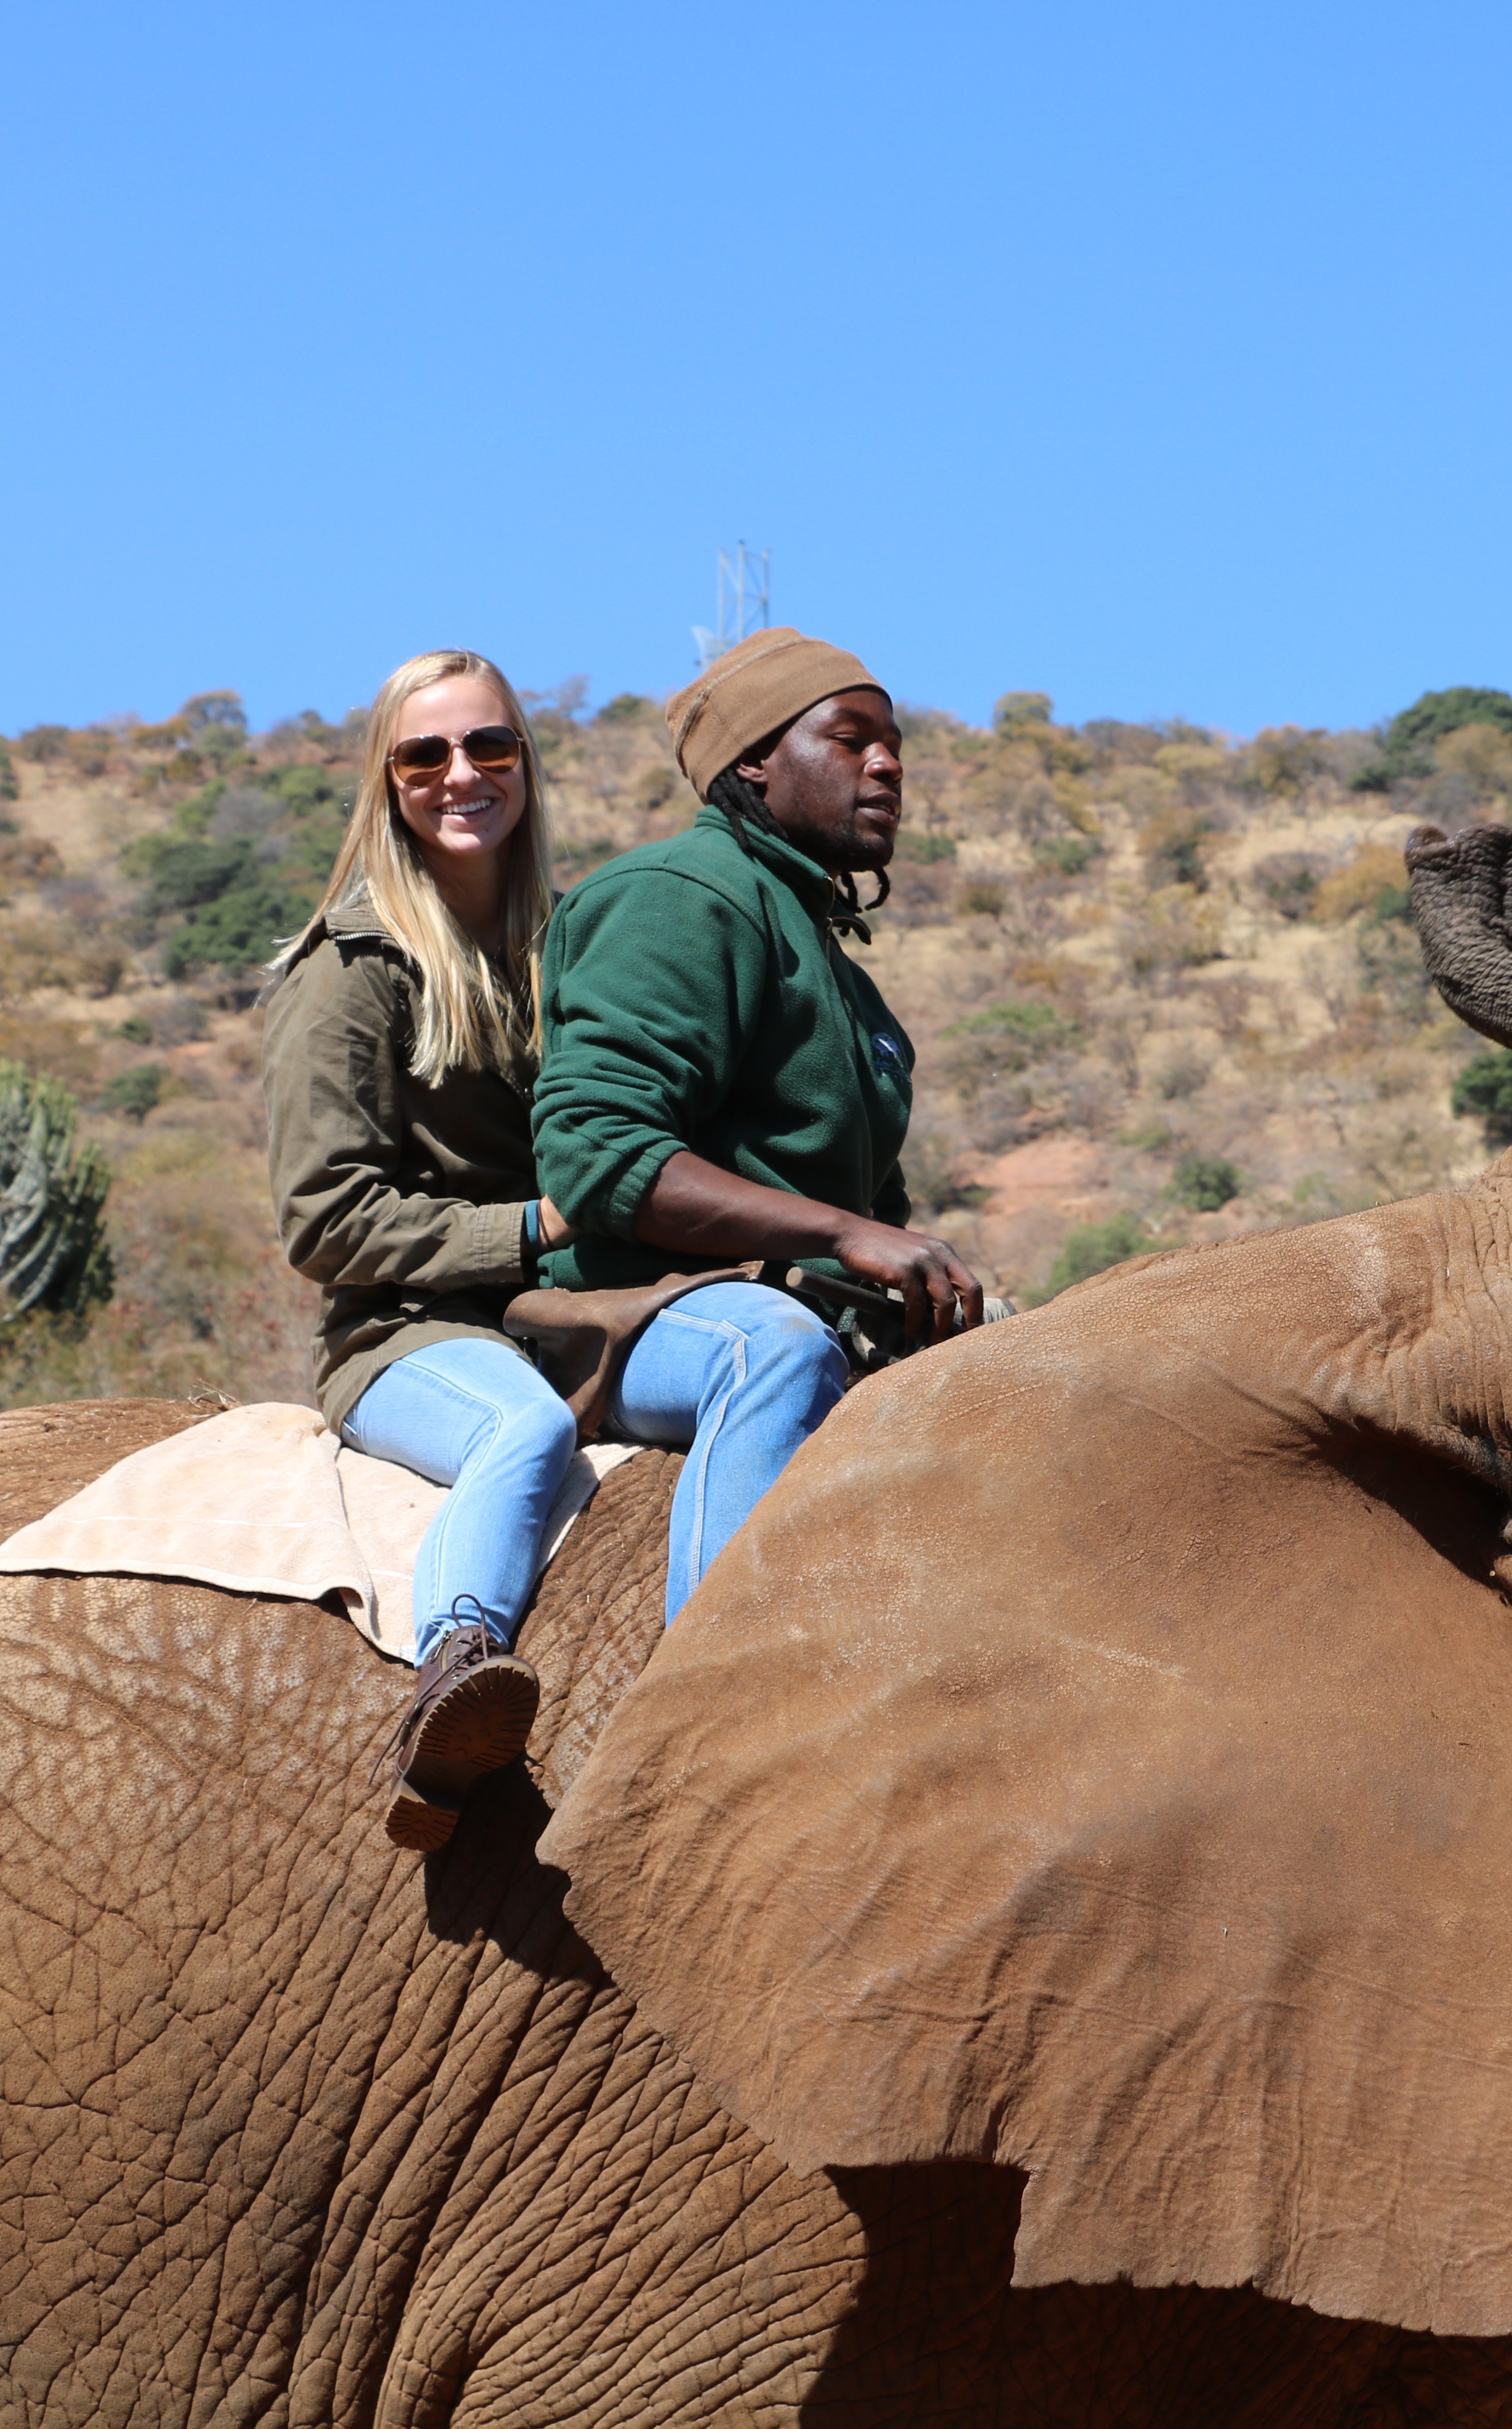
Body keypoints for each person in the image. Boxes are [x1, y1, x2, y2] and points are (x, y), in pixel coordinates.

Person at [534, 628, 982, 1618]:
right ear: (754, 759)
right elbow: (598, 1155)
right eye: (850, 738)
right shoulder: (675, 898)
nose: (888, 763)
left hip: (810, 1312)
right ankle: (711, 1716)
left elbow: (879, 1216)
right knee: (773, 1351)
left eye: (895, 743)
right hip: (647, 1315)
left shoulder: (848, 984)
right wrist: (842, 1234)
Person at [264, 647, 574, 1853]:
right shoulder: (346, 972)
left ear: (526, 766)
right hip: (406, 1334)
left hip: (566, 1312)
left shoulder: (567, 943)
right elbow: (324, 1219)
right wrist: (535, 1228)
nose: (462, 773)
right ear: (386, 782)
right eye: (426, 753)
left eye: (490, 746)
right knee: (522, 1432)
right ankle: (456, 1660)